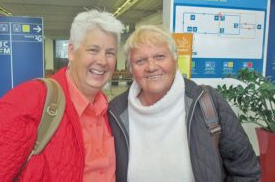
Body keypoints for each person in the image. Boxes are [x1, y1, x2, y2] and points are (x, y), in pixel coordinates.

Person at [0, 9, 123, 181]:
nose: (103, 61)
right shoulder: (31, 101)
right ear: (72, 52)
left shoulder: (108, 109)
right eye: (93, 50)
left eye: (110, 52)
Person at [108, 25, 261, 182]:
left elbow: (245, 170)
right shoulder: (116, 111)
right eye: (140, 61)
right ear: (131, 68)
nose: (151, 67)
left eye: (160, 56)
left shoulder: (206, 102)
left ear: (175, 59)